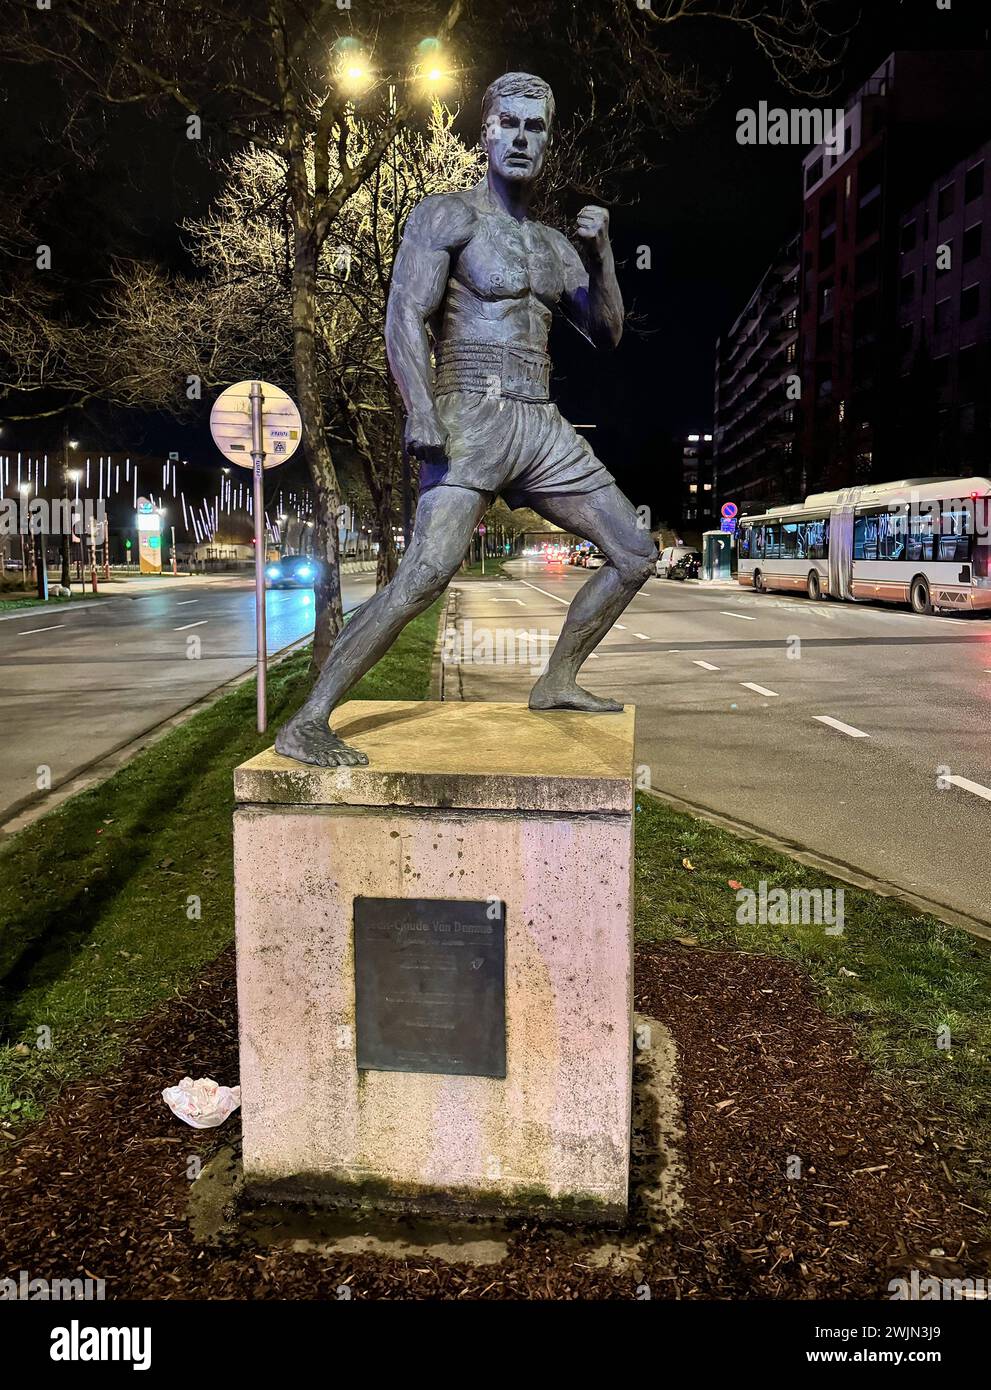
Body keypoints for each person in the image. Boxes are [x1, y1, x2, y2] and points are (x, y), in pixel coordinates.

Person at [276, 71, 657, 767]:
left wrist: (603, 260)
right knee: (424, 574)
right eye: (507, 123)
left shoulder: (554, 246)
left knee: (634, 553)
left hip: (540, 420)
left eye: (534, 127)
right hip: (467, 409)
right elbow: (404, 314)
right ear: (484, 133)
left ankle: (557, 679)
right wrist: (418, 407)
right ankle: (308, 720)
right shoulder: (446, 215)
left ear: (548, 140)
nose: (519, 137)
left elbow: (605, 335)